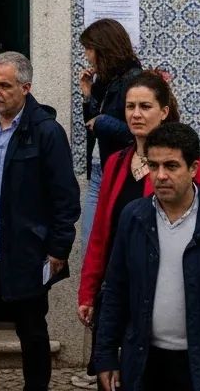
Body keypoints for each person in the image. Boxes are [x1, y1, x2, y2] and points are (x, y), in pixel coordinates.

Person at [93, 123, 200, 391]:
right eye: (153, 166)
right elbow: (116, 289)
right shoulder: (134, 219)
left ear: (194, 169)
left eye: (171, 166)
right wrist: (105, 356)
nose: (160, 175)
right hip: (145, 364)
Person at [0, 51, 81, 391]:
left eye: (5, 86)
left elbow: (65, 198)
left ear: (25, 88)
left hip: (27, 250)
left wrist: (57, 249)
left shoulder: (46, 132)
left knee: (31, 329)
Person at [78, 71, 200, 338]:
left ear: (163, 112)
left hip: (169, 291)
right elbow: (101, 235)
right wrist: (88, 292)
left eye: (145, 106)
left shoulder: (191, 166)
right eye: (130, 107)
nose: (136, 114)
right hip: (121, 287)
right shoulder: (116, 163)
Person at [78, 19, 142, 252]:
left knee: (111, 247)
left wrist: (103, 122)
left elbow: (136, 130)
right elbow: (92, 123)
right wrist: (88, 94)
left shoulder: (133, 80)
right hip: (99, 169)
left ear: (103, 48)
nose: (86, 56)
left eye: (89, 49)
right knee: (90, 246)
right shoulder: (105, 80)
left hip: (119, 171)